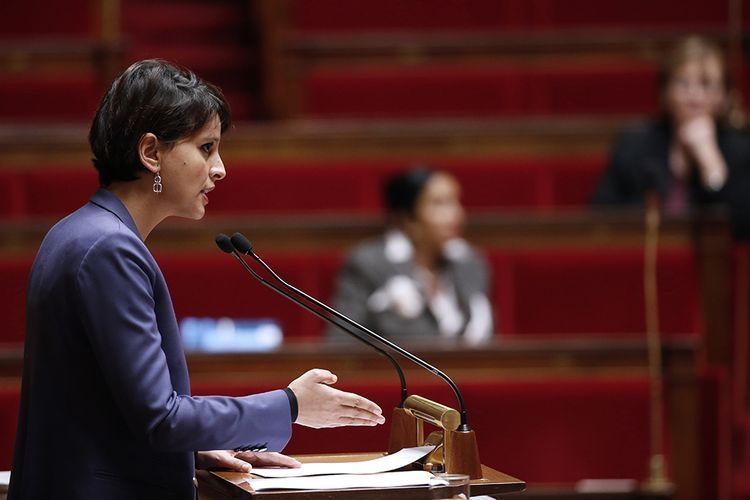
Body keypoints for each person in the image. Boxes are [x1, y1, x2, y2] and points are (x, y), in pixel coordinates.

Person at [8, 59, 384, 500]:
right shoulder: (110, 249)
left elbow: (96, 409)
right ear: (151, 154)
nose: (220, 168)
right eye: (206, 148)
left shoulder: (75, 232)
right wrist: (292, 404)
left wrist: (191, 452)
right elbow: (160, 418)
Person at [590, 35, 750, 239]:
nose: (695, 96)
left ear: (725, 96)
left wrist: (711, 163)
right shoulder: (635, 144)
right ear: (665, 93)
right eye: (683, 83)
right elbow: (599, 219)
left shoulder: (740, 150)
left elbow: (744, 227)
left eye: (707, 85)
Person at [327, 167, 493, 344]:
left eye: (456, 202)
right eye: (439, 203)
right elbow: (341, 342)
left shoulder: (469, 262)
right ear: (407, 217)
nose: (456, 215)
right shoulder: (369, 263)